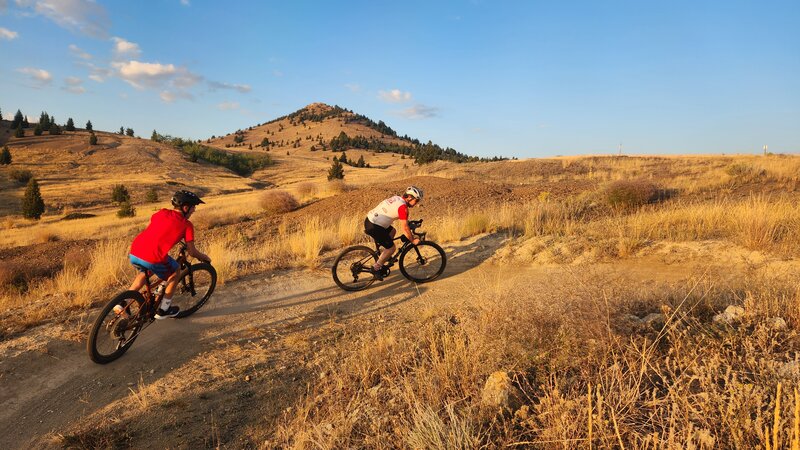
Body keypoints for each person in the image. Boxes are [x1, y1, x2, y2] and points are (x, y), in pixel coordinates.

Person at [128, 190, 211, 319]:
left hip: (135, 251)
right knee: (175, 271)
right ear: (185, 207)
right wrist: (204, 257)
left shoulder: (162, 212)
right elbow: (192, 252)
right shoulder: (187, 225)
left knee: (144, 274)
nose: (194, 210)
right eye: (193, 207)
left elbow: (160, 227)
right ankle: (163, 310)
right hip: (153, 256)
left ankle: (122, 304)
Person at [364, 186, 423, 280]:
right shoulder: (403, 208)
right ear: (410, 197)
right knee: (391, 248)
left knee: (393, 231)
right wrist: (412, 240)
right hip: (375, 226)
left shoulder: (397, 198)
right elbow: (404, 227)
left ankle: (384, 255)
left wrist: (409, 223)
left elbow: (401, 218)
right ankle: (376, 268)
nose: (416, 204)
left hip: (370, 220)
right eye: (416, 201)